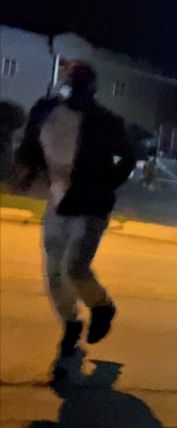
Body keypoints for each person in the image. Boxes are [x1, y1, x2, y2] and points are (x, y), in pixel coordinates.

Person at [13, 59, 136, 357]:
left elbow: (128, 157)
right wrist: (27, 171)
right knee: (54, 274)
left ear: (92, 88)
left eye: (80, 81)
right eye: (71, 79)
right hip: (58, 203)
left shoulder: (106, 121)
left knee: (74, 268)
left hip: (91, 206)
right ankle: (70, 325)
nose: (75, 86)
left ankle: (102, 307)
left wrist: (105, 185)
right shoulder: (48, 111)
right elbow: (32, 141)